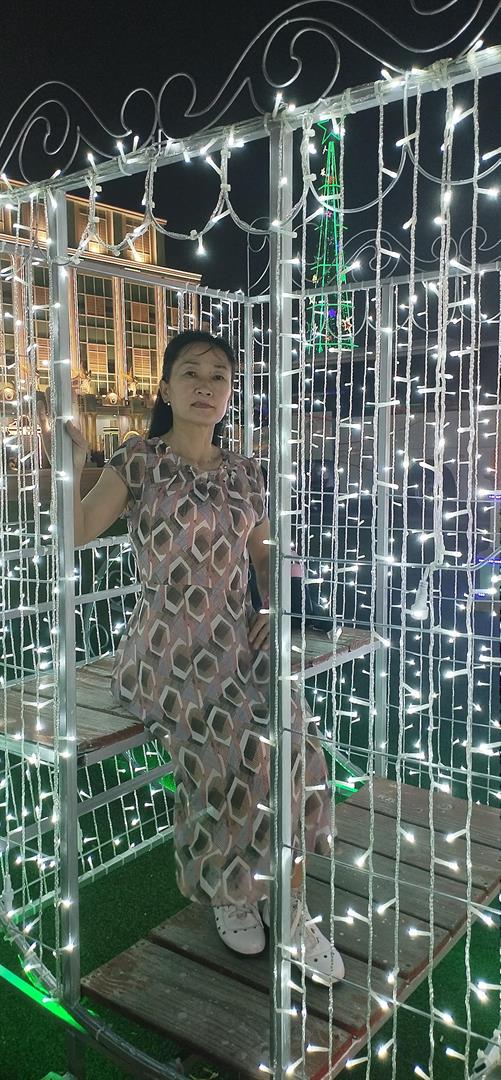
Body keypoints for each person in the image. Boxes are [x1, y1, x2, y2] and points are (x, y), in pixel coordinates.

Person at [36, 331, 344, 984]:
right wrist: (65, 462)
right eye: (190, 372)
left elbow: (267, 552)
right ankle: (233, 891)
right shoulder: (139, 461)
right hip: (165, 649)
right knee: (233, 745)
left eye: (219, 375)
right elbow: (77, 531)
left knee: (296, 741)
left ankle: (288, 903)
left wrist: (275, 608)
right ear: (167, 389)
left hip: (236, 641)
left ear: (230, 393)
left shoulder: (244, 472)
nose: (206, 385)